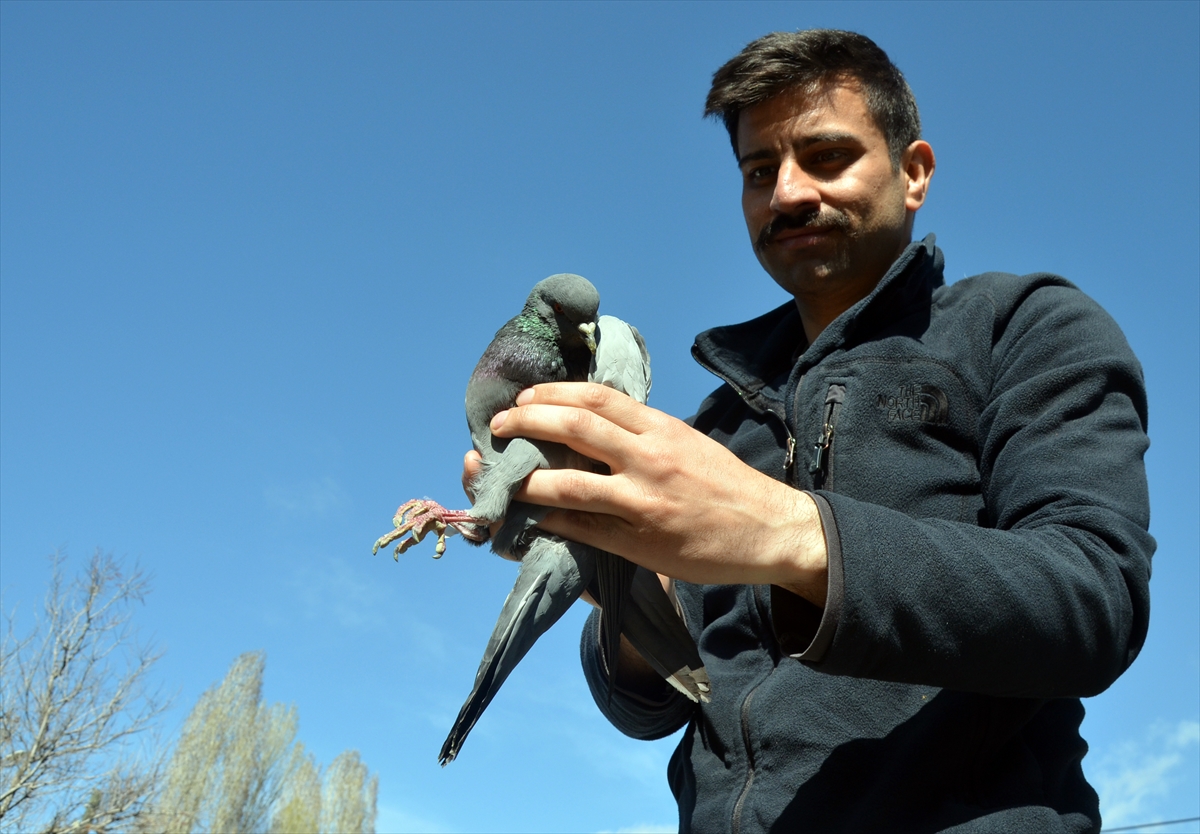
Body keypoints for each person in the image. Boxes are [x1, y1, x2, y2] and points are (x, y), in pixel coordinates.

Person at [466, 29, 1153, 833]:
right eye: (759, 172)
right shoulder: (715, 425)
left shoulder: (1024, 328)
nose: (788, 192)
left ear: (915, 171)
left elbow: (1094, 598)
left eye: (826, 156)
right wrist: (613, 572)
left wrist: (790, 536)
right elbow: (648, 710)